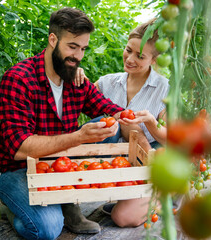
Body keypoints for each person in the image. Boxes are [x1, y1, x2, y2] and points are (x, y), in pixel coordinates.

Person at [0, 8, 131, 240]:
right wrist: (80, 137)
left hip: (56, 162)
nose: (78, 56)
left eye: (83, 48)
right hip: (13, 169)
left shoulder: (74, 77)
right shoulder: (18, 79)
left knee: (108, 128)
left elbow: (111, 110)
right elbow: (19, 149)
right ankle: (13, 209)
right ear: (53, 40)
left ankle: (67, 201)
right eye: (72, 47)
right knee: (47, 229)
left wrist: (132, 119)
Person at [75, 19, 169, 227]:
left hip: (150, 161)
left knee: (122, 217)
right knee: (109, 123)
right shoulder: (108, 82)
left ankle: (162, 196)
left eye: (140, 56)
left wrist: (152, 122)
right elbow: (80, 96)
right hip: (119, 162)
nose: (130, 59)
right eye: (128, 50)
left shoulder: (164, 89)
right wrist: (76, 74)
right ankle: (127, 195)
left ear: (154, 60)